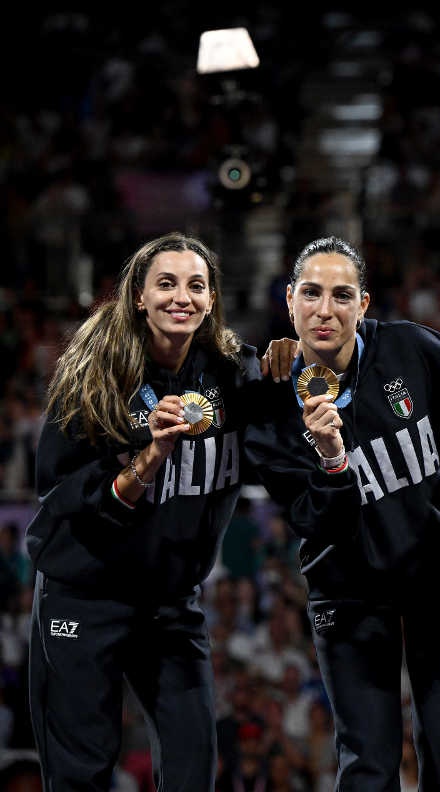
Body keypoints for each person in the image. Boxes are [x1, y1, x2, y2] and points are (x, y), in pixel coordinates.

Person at [25, 233, 331, 791]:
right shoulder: (95, 379)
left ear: (213, 299)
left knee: (193, 763)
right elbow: (57, 497)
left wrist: (297, 367)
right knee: (80, 773)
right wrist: (148, 458)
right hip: (85, 596)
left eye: (196, 285)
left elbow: (293, 435)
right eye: (165, 283)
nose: (181, 297)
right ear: (137, 296)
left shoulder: (235, 377)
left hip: (169, 604)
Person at [244, 236, 440, 791]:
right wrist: (330, 462)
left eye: (342, 295)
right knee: (367, 761)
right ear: (290, 299)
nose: (326, 310)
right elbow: (317, 521)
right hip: (349, 588)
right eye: (312, 293)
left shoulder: (404, 348)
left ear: (364, 304)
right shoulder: (269, 409)